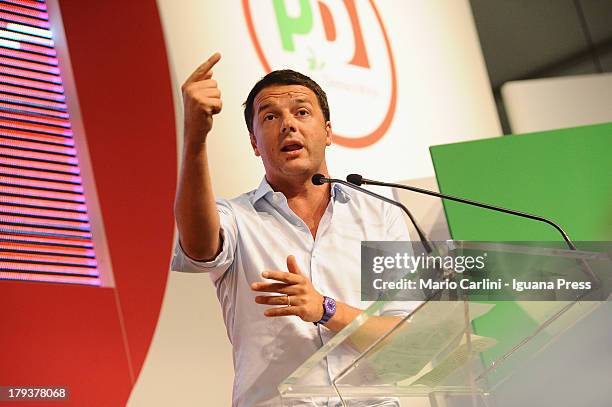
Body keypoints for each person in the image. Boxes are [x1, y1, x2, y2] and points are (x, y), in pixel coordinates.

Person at [172, 52, 416, 407]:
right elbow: (197, 247)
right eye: (270, 116)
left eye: (301, 112)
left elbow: (406, 344)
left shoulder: (380, 212)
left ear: (328, 132)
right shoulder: (236, 218)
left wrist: (326, 309)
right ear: (255, 143)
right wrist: (195, 138)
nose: (288, 124)